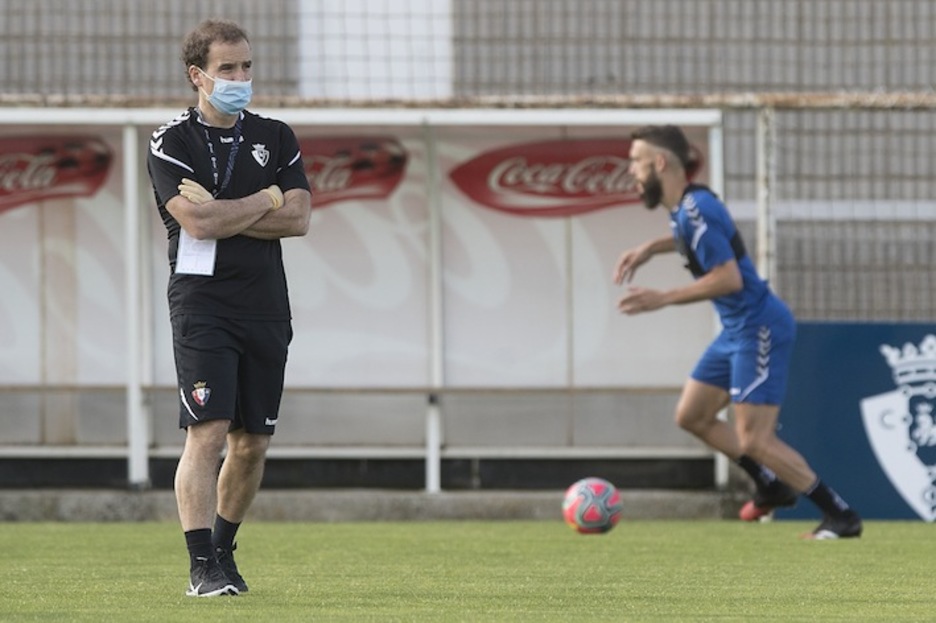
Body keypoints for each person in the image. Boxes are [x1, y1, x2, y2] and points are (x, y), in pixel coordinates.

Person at [612, 125, 861, 539]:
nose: (632, 172)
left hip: (758, 327)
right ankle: (772, 485)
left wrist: (663, 297)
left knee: (754, 440)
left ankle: (840, 515)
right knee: (692, 415)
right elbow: (691, 238)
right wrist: (649, 249)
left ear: (660, 163)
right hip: (735, 331)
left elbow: (729, 279)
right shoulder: (689, 205)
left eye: (636, 161)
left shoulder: (697, 210)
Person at [146, 19, 312, 596]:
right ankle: (199, 568)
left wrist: (233, 210)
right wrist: (267, 196)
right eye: (228, 69)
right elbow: (196, 221)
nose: (241, 78)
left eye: (246, 67)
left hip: (266, 306)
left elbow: (299, 218)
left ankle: (222, 553)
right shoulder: (171, 141)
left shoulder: (277, 135)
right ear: (198, 75)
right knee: (208, 432)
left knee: (252, 443)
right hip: (203, 306)